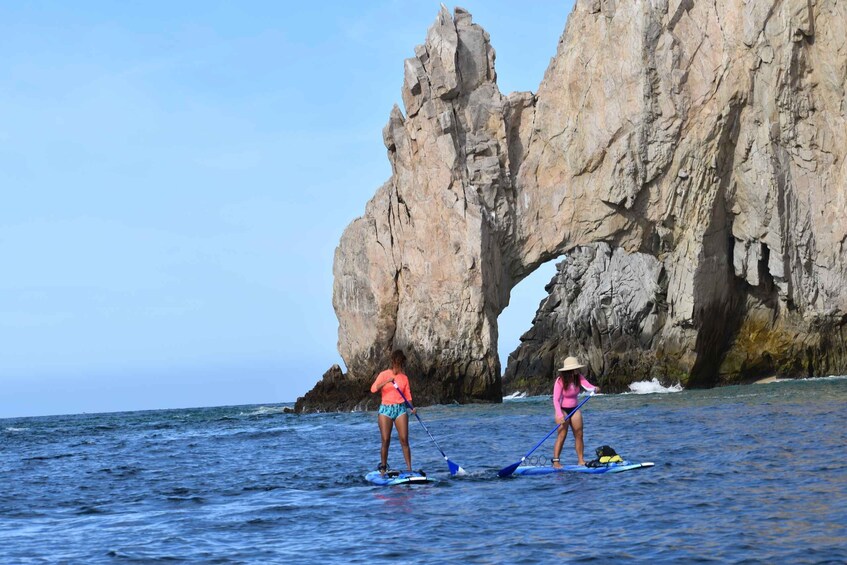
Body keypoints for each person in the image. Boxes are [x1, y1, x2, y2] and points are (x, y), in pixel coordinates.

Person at [370, 349, 415, 474]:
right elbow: (373, 389)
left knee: (404, 439)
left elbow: (408, 396)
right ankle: (383, 467)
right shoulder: (384, 374)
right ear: (393, 362)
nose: (398, 367)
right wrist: (386, 382)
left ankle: (409, 469)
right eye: (397, 363)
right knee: (386, 440)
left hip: (400, 409)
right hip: (386, 410)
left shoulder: (404, 378)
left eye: (400, 364)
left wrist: (412, 408)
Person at [552, 356, 600, 468]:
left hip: (574, 409)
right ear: (569, 370)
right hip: (562, 410)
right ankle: (556, 462)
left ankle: (581, 460)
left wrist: (595, 389)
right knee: (562, 435)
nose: (577, 370)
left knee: (579, 434)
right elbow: (555, 399)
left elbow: (588, 386)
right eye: (575, 368)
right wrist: (559, 415)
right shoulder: (559, 381)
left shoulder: (578, 377)